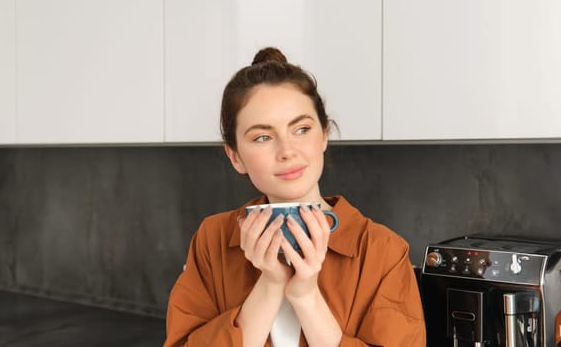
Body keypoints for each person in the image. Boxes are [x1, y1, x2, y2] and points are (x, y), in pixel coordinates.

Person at [164, 47, 425, 346]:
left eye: (301, 129)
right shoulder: (212, 240)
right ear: (235, 156)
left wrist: (306, 297)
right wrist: (270, 285)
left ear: (324, 135)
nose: (287, 150)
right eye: (262, 137)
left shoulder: (384, 252)